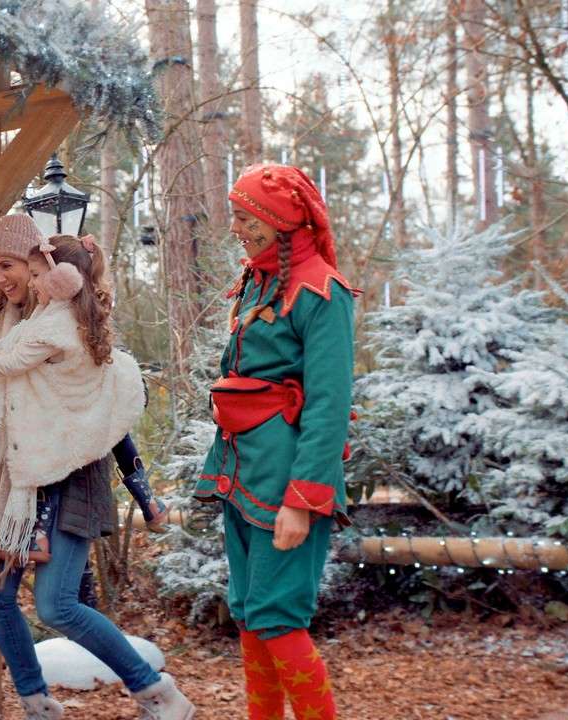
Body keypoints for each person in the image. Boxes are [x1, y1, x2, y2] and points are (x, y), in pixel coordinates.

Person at [0, 233, 195, 720]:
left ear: (52, 274)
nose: (3, 278)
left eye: (12, 266)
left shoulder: (69, 326)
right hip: (11, 485)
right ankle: (38, 705)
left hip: (69, 481)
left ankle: (156, 692)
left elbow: (105, 415)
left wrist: (142, 492)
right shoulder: (3, 327)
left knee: (57, 605)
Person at [193, 164, 356, 720]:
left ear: (279, 220)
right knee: (249, 613)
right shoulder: (259, 280)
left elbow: (329, 405)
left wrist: (302, 500)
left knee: (278, 616)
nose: (235, 228)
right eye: (235, 216)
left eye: (246, 218)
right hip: (242, 470)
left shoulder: (322, 291)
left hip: (286, 480)